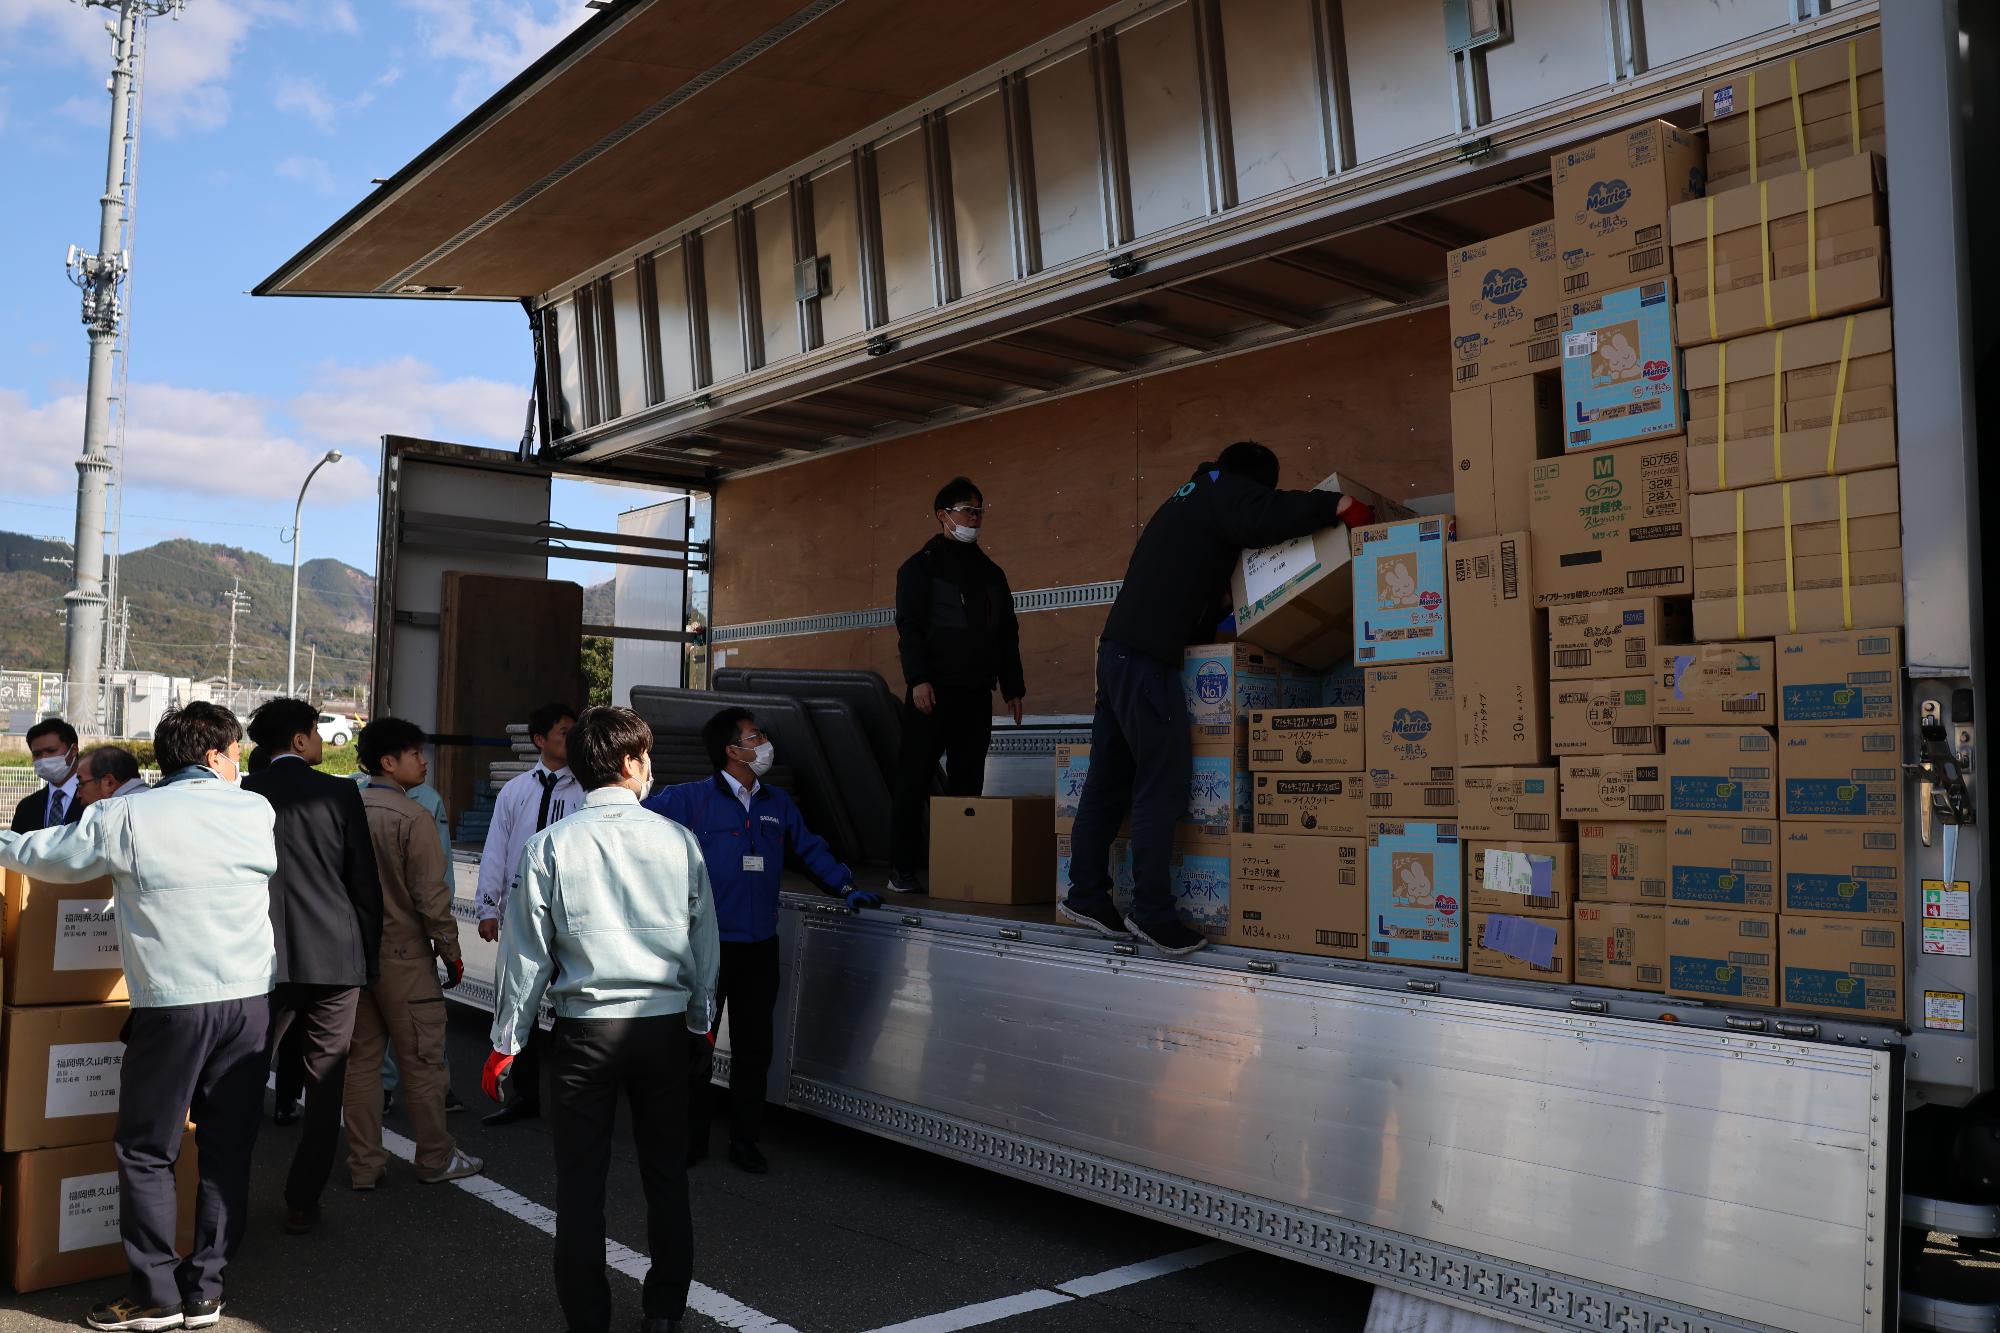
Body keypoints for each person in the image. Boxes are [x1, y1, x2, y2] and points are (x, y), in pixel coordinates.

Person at [0, 702, 275, 1332]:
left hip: (173, 1003)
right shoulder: (255, 809)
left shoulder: (124, 812)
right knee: (228, 1144)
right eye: (235, 752)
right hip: (251, 999)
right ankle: (206, 1289)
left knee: (149, 1149)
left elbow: (50, 859)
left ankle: (156, 1294)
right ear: (213, 754)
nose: (239, 763)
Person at [1062, 442, 1374, 957]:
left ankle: (1086, 893)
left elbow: (1196, 586)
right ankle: (1152, 913)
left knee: (1107, 781)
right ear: (1251, 481)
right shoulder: (1220, 490)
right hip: (1144, 662)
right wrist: (1335, 507)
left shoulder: (1183, 501)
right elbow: (1262, 517)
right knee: (1162, 782)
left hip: (1117, 653)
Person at [485, 706, 719, 1333]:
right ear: (627, 764)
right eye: (645, 758)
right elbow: (704, 947)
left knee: (580, 1185)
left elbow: (526, 956)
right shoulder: (678, 840)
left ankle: (589, 1319)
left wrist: (507, 1040)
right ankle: (665, 1312)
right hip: (664, 1027)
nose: (650, 769)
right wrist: (701, 1021)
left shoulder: (549, 846)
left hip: (584, 1034)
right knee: (666, 1176)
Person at [645, 708, 881, 1173]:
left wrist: (845, 887)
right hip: (707, 948)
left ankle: (745, 1139)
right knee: (697, 1043)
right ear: (732, 751)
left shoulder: (777, 804)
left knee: (755, 1047)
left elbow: (809, 848)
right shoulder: (690, 799)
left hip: (759, 945)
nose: (765, 743)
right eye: (756, 737)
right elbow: (631, 823)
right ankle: (690, 1140)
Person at [241, 697, 384, 1234]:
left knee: (245, 1073)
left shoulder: (245, 795)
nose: (324, 742)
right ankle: (301, 1200)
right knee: (326, 1085)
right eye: (318, 733)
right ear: (299, 741)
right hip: (335, 958)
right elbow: (363, 884)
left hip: (260, 957)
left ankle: (225, 1190)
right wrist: (367, 959)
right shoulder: (340, 792)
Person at [343, 718, 482, 1190]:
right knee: (422, 1062)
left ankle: (364, 1165)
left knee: (361, 1062)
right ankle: (435, 1158)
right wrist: (450, 950)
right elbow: (431, 898)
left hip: (354, 956)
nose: (424, 761)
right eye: (415, 754)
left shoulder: (346, 809)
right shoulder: (413, 816)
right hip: (405, 956)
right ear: (389, 762)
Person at [888, 477, 1026, 894]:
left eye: (979, 511)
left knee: (969, 784)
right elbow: (909, 629)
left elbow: (1007, 634)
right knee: (914, 781)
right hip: (932, 692)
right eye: (967, 510)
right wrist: (919, 680)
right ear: (943, 515)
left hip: (975, 693)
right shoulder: (919, 568)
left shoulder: (990, 573)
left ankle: (957, 869)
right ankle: (901, 870)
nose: (974, 518)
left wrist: (1013, 686)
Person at [474, 701, 582, 1126]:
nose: (570, 739)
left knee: (572, 1008)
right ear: (539, 740)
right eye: (563, 732)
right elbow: (495, 851)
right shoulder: (516, 791)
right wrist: (488, 906)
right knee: (522, 1005)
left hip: (571, 916)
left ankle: (574, 1099)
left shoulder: (587, 790)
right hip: (522, 912)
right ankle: (525, 1096)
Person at [12, 717, 84, 832]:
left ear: (73, 750)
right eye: (37, 754)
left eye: (51, 751)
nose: (44, 759)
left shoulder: (96, 800)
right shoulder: (26, 807)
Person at [73, 745, 147, 809]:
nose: (78, 795)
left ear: (109, 783)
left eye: (81, 784)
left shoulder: (116, 816)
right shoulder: (155, 799)